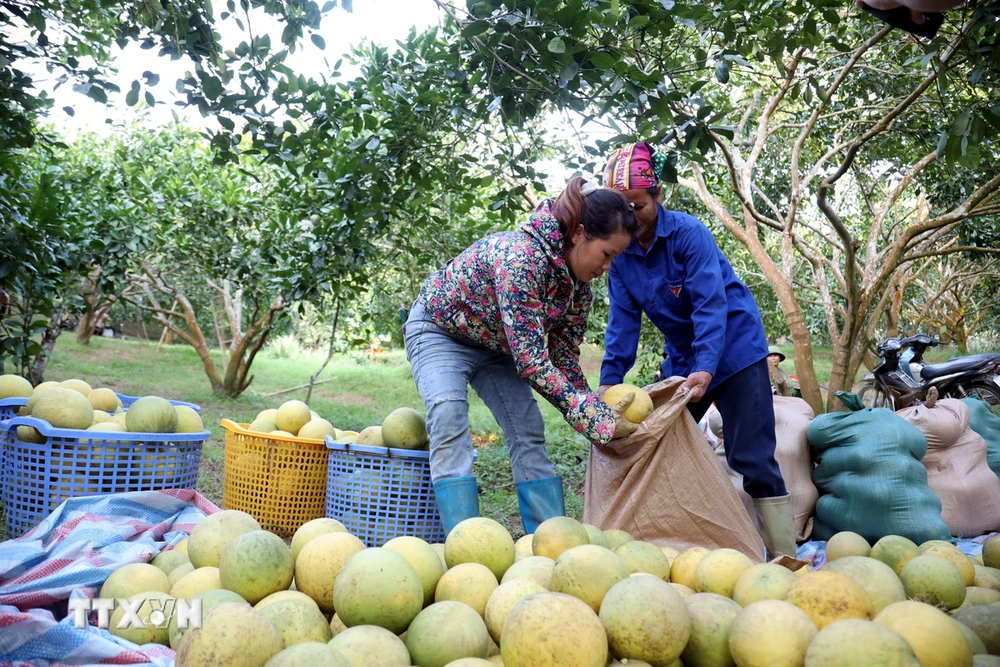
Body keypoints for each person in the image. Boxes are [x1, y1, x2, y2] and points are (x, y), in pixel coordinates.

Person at [404, 177, 640, 535]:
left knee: (527, 428)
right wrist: (593, 420)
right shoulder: (521, 259)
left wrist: (593, 408)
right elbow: (532, 361)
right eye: (607, 254)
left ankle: (550, 538)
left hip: (496, 346)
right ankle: (465, 542)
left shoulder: (578, 289)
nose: (608, 267)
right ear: (578, 234)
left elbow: (563, 359)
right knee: (449, 413)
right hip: (440, 331)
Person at [597, 142, 797, 558]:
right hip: (685, 359)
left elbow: (711, 304)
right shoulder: (620, 256)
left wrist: (707, 367)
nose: (631, 217)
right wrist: (608, 387)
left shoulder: (688, 234)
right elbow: (622, 324)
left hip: (736, 351)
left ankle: (784, 555)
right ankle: (683, 543)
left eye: (638, 205)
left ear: (658, 197)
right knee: (661, 443)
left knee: (752, 456)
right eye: (623, 208)